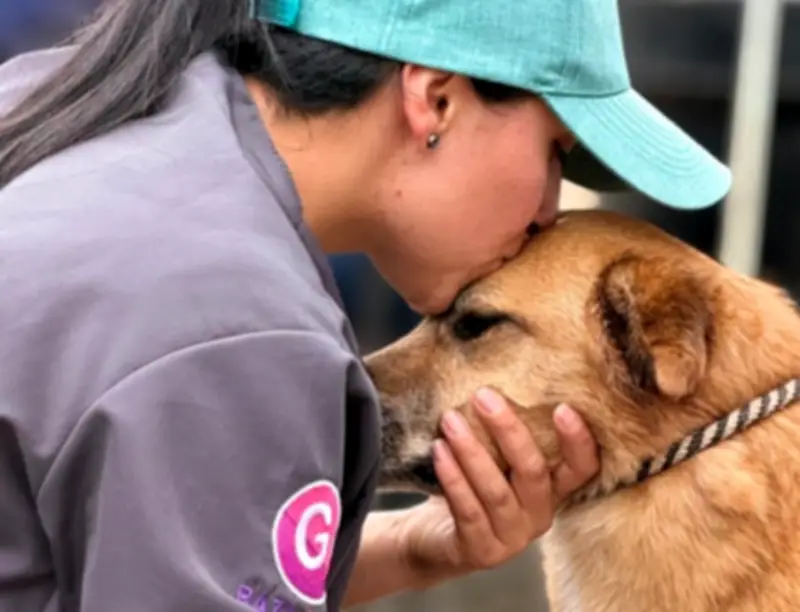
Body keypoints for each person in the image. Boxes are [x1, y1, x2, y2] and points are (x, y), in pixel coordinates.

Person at [0, 0, 730, 610]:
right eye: (556, 154)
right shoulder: (240, 331)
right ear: (435, 97)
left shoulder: (80, 111)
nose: (548, 213)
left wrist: (413, 550)